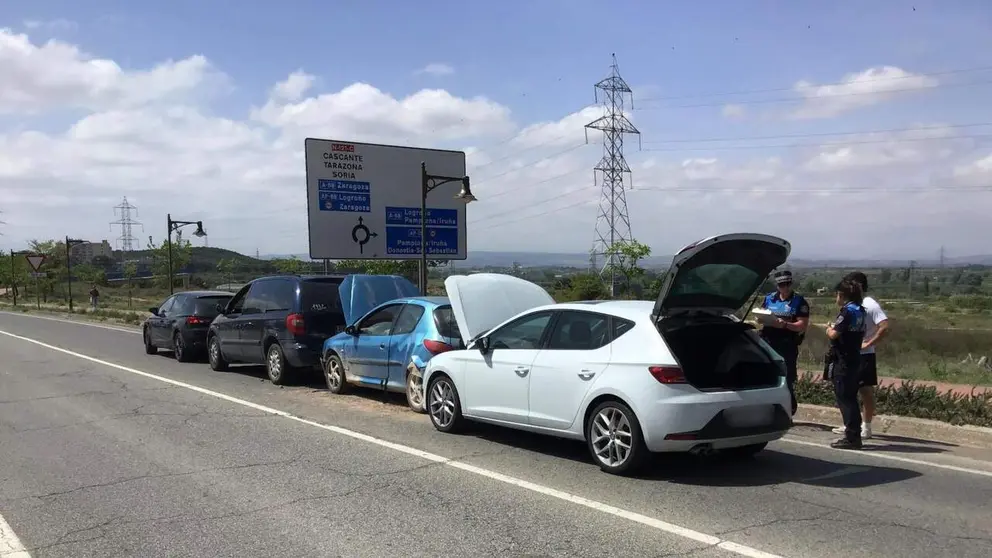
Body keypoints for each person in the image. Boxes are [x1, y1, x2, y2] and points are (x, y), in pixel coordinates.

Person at [832, 271, 889, 440]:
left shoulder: (869, 304)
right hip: (850, 352)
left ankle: (866, 426)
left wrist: (868, 343)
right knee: (848, 392)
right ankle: (850, 424)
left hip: (864, 354)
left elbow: (884, 325)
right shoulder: (853, 305)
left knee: (865, 391)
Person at [758, 269, 810, 416]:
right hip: (768, 342)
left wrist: (785, 325)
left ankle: (789, 409)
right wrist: (761, 318)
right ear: (777, 286)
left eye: (788, 284)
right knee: (768, 376)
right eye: (782, 285)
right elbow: (761, 315)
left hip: (787, 343)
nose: (785, 288)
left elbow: (803, 325)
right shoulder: (769, 299)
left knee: (786, 377)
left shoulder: (799, 301)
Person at [824, 278, 867, 450]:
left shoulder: (847, 311)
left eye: (837, 294)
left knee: (845, 399)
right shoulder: (861, 310)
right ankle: (854, 434)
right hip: (855, 357)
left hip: (843, 360)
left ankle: (852, 437)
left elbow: (834, 334)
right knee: (851, 398)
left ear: (842, 295)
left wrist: (828, 328)